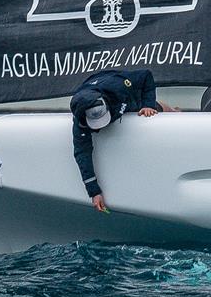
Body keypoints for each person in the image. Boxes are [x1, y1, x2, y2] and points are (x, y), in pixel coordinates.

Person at [70, 69, 164, 212]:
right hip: (94, 86)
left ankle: (174, 110)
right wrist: (94, 192)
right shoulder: (80, 119)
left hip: (122, 95)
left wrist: (148, 105)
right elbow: (82, 153)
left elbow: (146, 75)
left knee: (157, 108)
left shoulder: (119, 86)